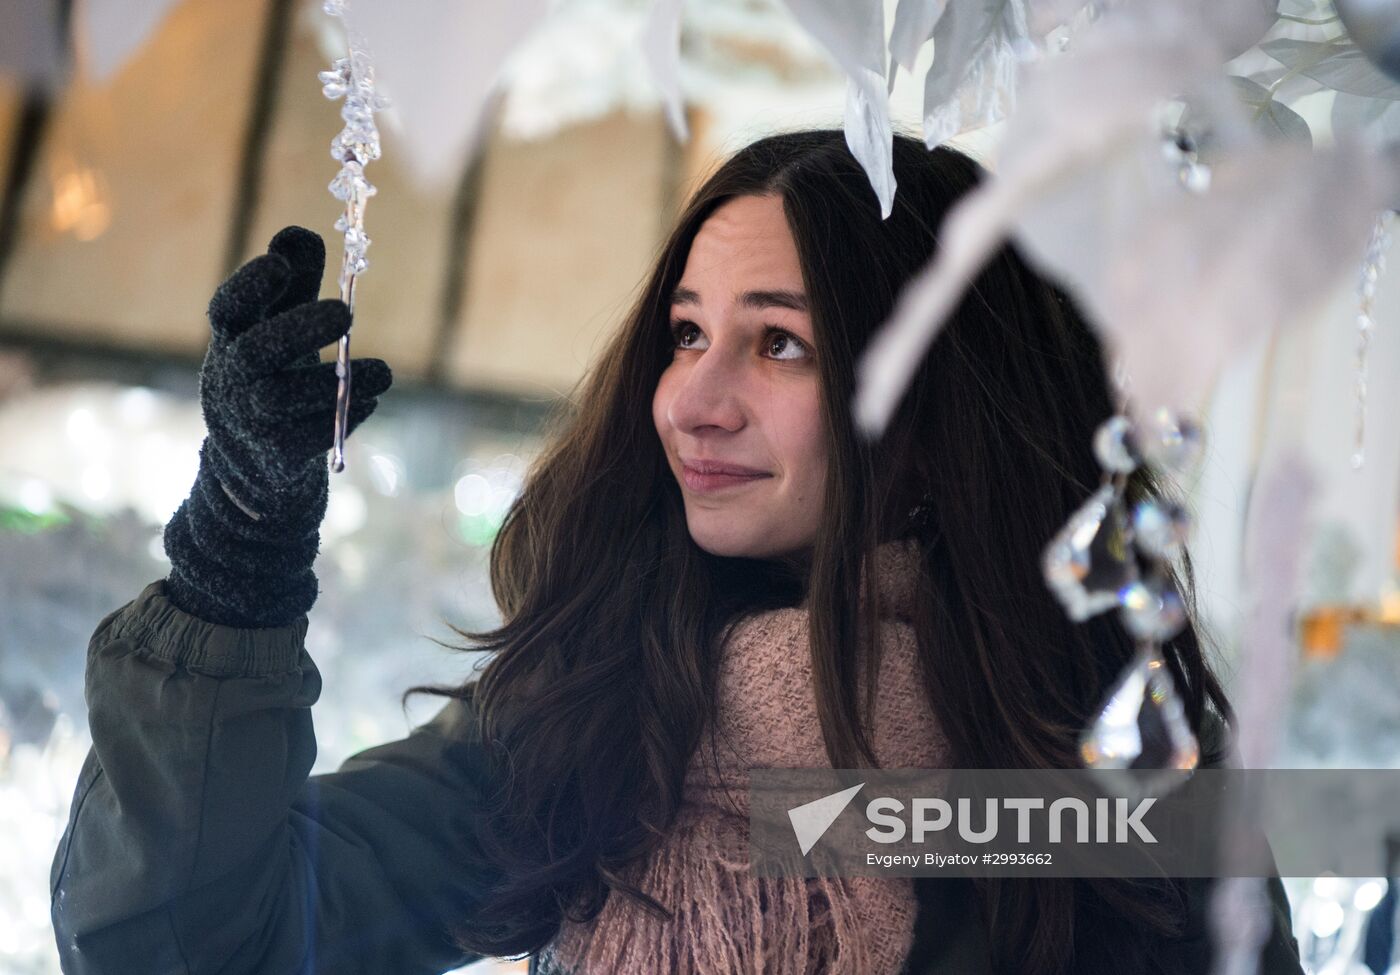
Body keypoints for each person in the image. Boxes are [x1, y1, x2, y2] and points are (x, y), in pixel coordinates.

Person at [49, 129, 1304, 975]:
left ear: (937, 415)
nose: (689, 401)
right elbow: (186, 943)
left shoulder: (1119, 810)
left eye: (780, 345)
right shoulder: (600, 715)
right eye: (687, 334)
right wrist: (236, 560)